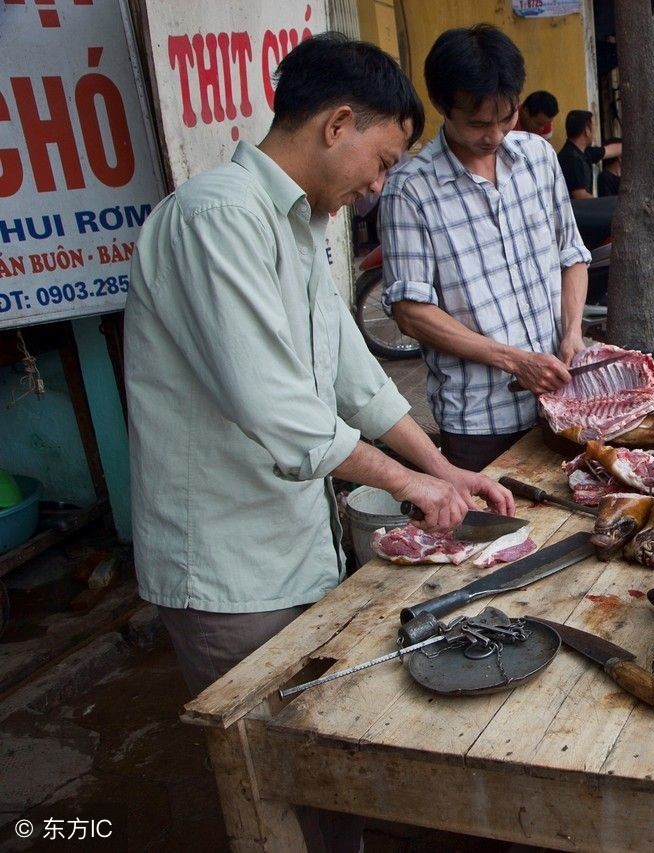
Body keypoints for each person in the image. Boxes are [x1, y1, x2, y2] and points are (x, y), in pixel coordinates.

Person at [124, 34, 512, 850]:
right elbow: (281, 412)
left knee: (324, 764)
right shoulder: (216, 218)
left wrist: (443, 467)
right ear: (339, 122)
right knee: (272, 783)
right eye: (383, 158)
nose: (379, 183)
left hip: (295, 547)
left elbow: (354, 379)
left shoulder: (302, 227)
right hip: (229, 568)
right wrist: (412, 488)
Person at [380, 25, 592, 472]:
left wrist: (571, 332)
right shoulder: (410, 189)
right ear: (442, 105)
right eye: (478, 123)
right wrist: (515, 361)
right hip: (478, 421)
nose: (494, 134)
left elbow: (570, 255)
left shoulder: (538, 157)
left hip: (562, 402)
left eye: (506, 117)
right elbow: (411, 311)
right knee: (495, 535)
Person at [557, 109, 621, 199]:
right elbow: (580, 195)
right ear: (587, 131)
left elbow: (612, 150)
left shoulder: (585, 152)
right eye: (594, 128)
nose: (594, 133)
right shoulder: (571, 158)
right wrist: (604, 207)